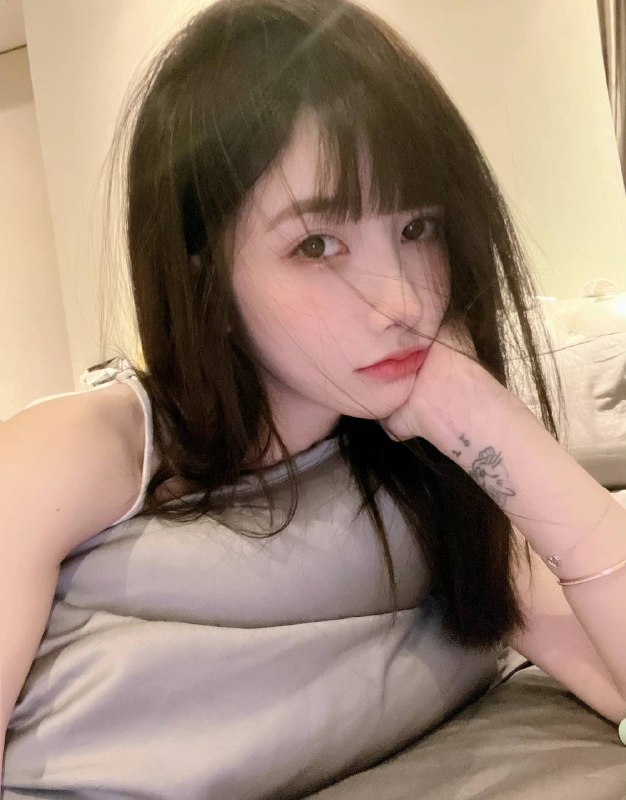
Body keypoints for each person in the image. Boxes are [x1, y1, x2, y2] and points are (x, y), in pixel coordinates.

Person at [1, 0, 625, 797]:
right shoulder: (73, 456)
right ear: (203, 276)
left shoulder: (430, 482)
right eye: (317, 244)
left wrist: (493, 424)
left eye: (418, 228)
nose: (402, 299)